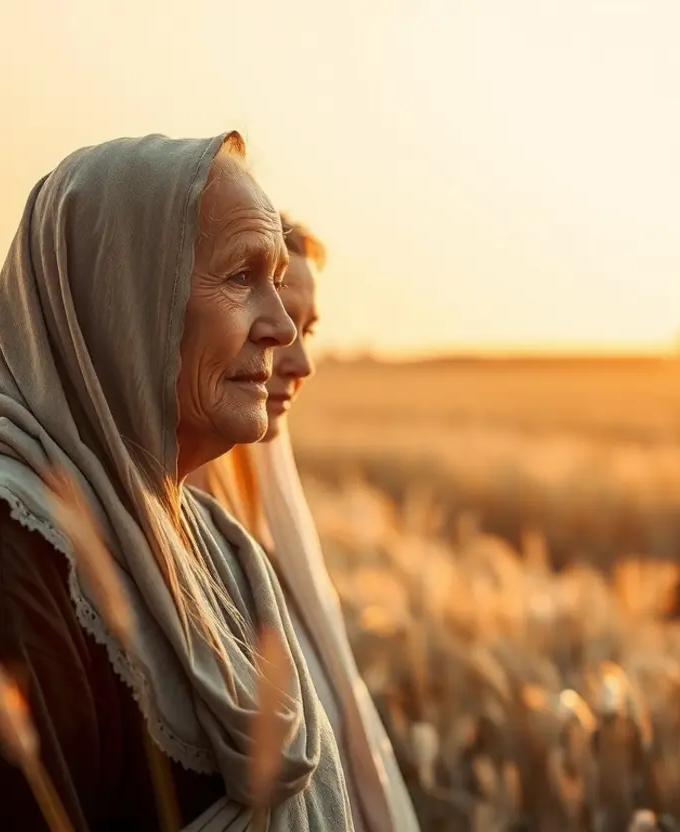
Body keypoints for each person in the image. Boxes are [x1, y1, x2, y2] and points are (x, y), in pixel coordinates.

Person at [0, 133, 361, 831]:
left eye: (276, 278)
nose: (283, 330)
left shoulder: (216, 547)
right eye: (239, 277)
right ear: (122, 299)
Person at [189, 217, 420, 832]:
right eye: (275, 322)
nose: (299, 362)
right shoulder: (160, 545)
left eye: (306, 329)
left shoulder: (272, 540)